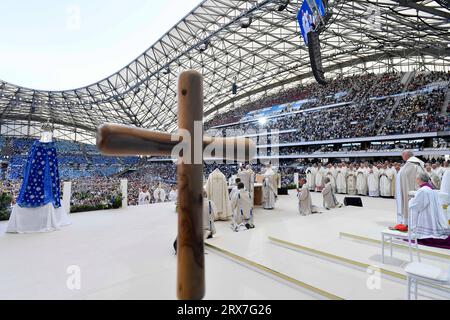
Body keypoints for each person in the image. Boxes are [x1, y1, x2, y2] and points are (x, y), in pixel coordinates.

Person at [409, 173, 450, 240]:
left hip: (425, 216)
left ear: (420, 179)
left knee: (424, 234)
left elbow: (416, 205)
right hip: (432, 214)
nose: (416, 181)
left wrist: (410, 201)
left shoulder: (422, 190)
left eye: (417, 179)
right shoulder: (432, 189)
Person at [396, 151, 425, 225]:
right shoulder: (415, 162)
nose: (402, 156)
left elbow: (404, 174)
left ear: (407, 155)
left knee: (409, 206)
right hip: (412, 188)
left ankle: (408, 222)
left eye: (403, 154)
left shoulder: (411, 164)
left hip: (409, 189)